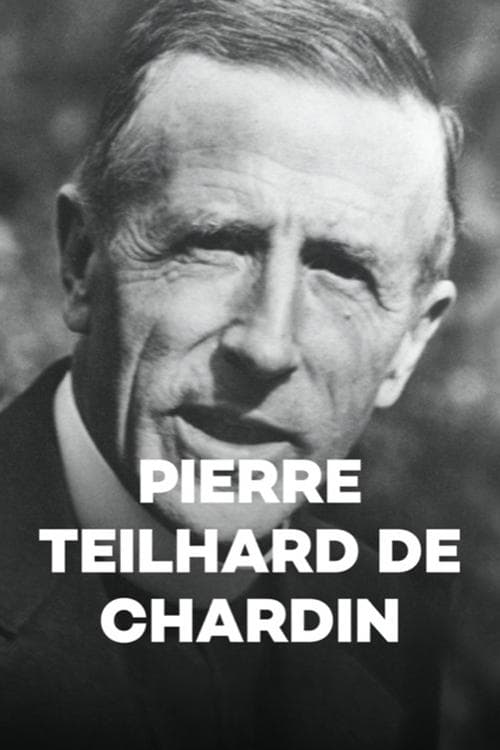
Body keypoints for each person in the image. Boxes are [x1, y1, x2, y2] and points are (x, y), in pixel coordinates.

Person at [0, 1, 462, 748]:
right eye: (216, 243)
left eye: (341, 270)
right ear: (83, 262)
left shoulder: (389, 624)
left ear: (410, 342)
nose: (267, 345)